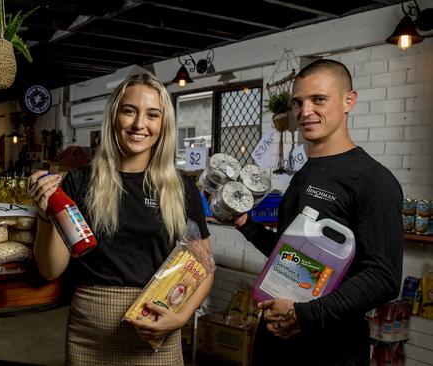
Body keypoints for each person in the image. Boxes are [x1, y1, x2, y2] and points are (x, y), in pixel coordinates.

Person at [27, 72, 214, 365]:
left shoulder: (181, 188)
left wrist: (179, 318)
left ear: (163, 124)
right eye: (130, 111)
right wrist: (44, 214)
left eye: (152, 114)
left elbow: (203, 267)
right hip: (90, 334)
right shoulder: (78, 183)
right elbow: (51, 269)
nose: (140, 124)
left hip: (155, 330)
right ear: (114, 117)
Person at [232, 59, 403, 365]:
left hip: (329, 349)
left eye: (318, 100)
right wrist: (245, 223)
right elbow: (294, 255)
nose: (305, 111)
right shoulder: (307, 173)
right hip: (277, 341)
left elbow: (383, 278)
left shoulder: (372, 180)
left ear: (348, 101)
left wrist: (303, 315)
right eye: (298, 102)